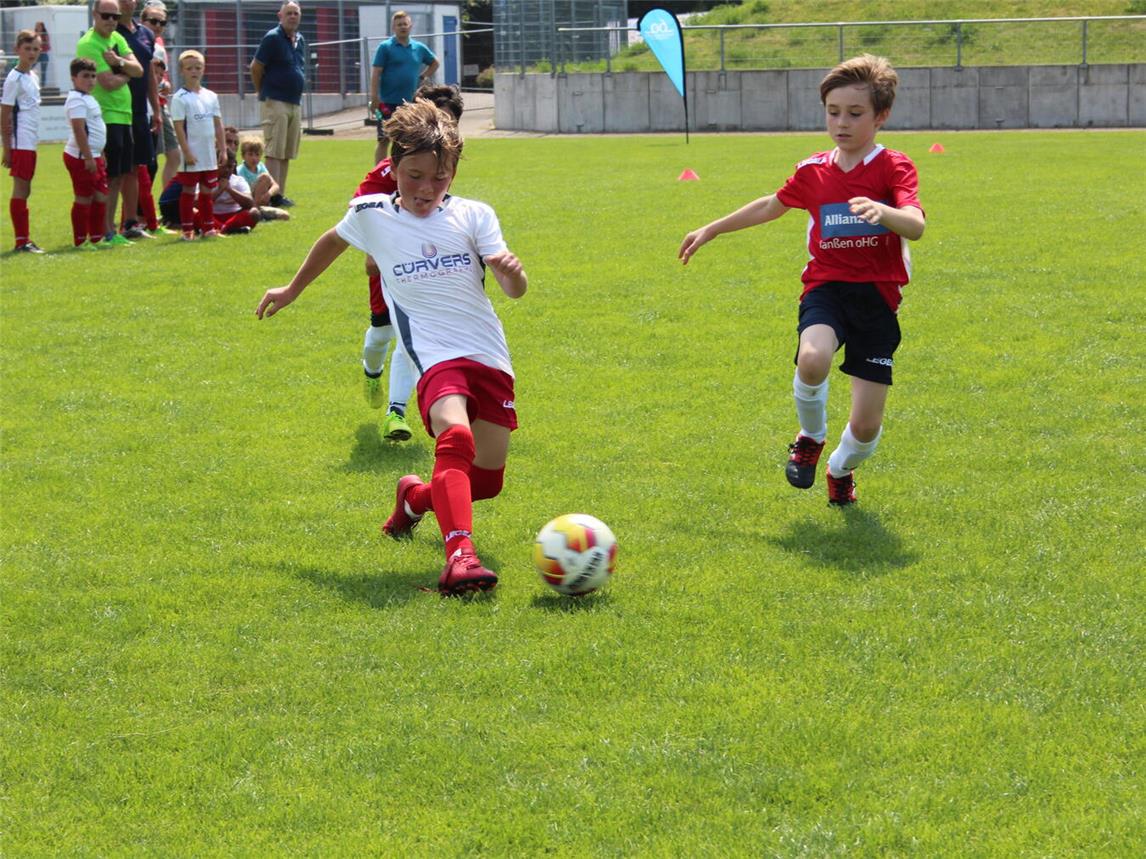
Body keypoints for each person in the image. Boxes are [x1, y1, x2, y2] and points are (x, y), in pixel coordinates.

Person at [256, 99, 528, 596]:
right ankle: (460, 557)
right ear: (393, 165)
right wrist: (290, 290)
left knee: (485, 482)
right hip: (433, 354)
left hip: (487, 353)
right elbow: (332, 241)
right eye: (414, 175)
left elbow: (514, 290)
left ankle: (413, 499)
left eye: (439, 177)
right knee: (456, 439)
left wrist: (514, 275)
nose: (426, 188)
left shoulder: (475, 215)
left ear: (454, 171)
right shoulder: (371, 215)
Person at [678, 54, 925, 506]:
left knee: (867, 427)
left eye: (855, 114)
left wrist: (884, 211)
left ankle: (840, 469)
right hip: (826, 288)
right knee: (812, 358)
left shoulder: (894, 167)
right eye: (833, 112)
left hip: (877, 299)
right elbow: (772, 204)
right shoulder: (814, 170)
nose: (841, 123)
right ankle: (810, 438)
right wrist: (712, 228)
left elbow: (915, 223)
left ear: (881, 116)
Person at [354, 83, 463, 443]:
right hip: (388, 262)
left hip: (425, 266)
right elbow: (359, 216)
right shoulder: (387, 172)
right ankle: (371, 373)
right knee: (381, 334)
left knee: (408, 337)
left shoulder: (448, 162)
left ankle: (395, 413)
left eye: (449, 124)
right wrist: (374, 250)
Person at [76, 0, 144, 248]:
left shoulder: (117, 38)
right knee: (108, 177)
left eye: (115, 16)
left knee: (118, 176)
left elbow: (139, 70)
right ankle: (102, 231)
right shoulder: (88, 43)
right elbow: (107, 82)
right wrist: (125, 70)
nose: (111, 21)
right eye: (105, 15)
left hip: (124, 115)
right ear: (94, 14)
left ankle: (109, 230)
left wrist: (119, 62)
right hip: (105, 118)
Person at [250, 1, 305, 206]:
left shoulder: (300, 39)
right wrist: (262, 91)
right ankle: (270, 196)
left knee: (286, 152)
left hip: (294, 102)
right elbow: (256, 67)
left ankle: (279, 193)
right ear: (279, 16)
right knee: (274, 151)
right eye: (288, 13)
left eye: (296, 13)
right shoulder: (272, 38)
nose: (292, 16)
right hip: (276, 101)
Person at [368, 9, 438, 164]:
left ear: (410, 26)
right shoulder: (385, 47)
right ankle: (379, 172)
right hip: (387, 102)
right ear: (394, 27)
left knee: (407, 140)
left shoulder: (418, 48)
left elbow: (435, 62)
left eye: (405, 24)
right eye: (399, 24)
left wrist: (423, 76)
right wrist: (374, 98)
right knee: (384, 139)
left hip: (410, 103)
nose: (402, 27)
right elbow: (376, 73)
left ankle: (403, 171)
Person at [115, 0, 161, 239]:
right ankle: (104, 226)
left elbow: (150, 73)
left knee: (135, 166)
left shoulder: (145, 34)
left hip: (140, 111)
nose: (127, 2)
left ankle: (131, 223)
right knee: (114, 170)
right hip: (116, 109)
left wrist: (156, 108)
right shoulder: (110, 33)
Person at [170, 49, 224, 240]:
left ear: (203, 69)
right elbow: (178, 128)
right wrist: (187, 152)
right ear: (182, 71)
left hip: (208, 154)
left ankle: (208, 228)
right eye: (189, 68)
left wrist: (222, 149)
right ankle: (187, 230)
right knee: (188, 191)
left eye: (198, 67)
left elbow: (218, 124)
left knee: (207, 191)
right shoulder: (179, 98)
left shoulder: (211, 96)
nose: (194, 71)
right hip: (192, 154)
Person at [1, 29, 43, 253]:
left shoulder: (32, 76)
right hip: (20, 142)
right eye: (27, 49)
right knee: (21, 188)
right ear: (18, 50)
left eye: (36, 49)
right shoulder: (14, 78)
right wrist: (7, 149)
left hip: (30, 141)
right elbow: (5, 115)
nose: (32, 53)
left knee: (25, 189)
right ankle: (21, 241)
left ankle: (24, 239)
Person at [62, 57, 110, 250]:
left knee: (101, 196)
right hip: (81, 157)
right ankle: (80, 240)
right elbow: (79, 130)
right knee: (84, 197)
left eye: (93, 76)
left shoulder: (89, 98)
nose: (90, 80)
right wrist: (88, 156)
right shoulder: (75, 99)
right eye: (85, 76)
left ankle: (96, 238)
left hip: (95, 155)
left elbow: (96, 128)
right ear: (74, 78)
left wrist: (100, 152)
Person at [140, 2, 180, 191]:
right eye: (153, 21)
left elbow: (160, 75)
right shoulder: (140, 43)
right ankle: (139, 211)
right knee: (149, 163)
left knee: (175, 155)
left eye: (162, 22)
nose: (158, 26)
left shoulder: (160, 44)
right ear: (142, 21)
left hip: (161, 104)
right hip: (147, 106)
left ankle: (166, 204)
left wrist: (166, 84)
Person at [209, 150, 261, 234]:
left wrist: (229, 189)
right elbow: (196, 203)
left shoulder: (238, 180)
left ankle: (222, 229)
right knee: (194, 212)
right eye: (223, 166)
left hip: (234, 216)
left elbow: (250, 203)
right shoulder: (207, 180)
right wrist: (219, 190)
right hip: (211, 215)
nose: (227, 170)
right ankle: (228, 229)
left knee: (254, 213)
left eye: (230, 167)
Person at [237, 136, 289, 218]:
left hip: (262, 204)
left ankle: (261, 213)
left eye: (257, 155)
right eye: (250, 154)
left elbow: (275, 186)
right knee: (264, 177)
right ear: (243, 156)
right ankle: (256, 212)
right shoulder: (240, 171)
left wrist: (269, 194)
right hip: (248, 204)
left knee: (285, 215)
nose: (254, 158)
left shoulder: (261, 167)